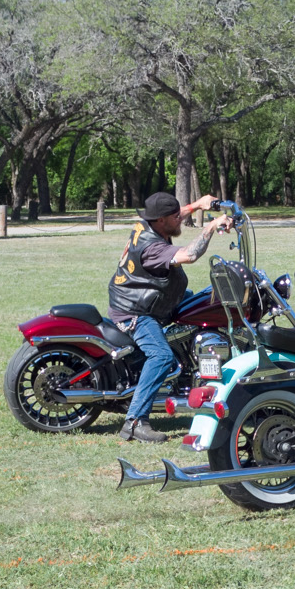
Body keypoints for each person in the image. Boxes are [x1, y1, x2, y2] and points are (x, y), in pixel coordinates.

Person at [107, 190, 233, 443]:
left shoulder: (149, 224)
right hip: (136, 311)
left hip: (153, 298)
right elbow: (189, 255)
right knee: (162, 356)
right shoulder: (152, 248)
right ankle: (134, 422)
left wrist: (198, 205)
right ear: (161, 220)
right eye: (176, 217)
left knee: (201, 304)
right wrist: (210, 226)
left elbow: (176, 214)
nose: (180, 219)